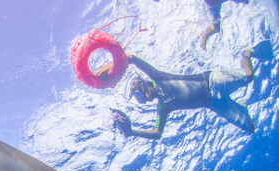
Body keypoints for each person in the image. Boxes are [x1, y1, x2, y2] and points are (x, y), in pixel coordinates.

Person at [110, 40, 273, 140]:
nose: (142, 100)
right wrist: (132, 132)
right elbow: (157, 133)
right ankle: (242, 106)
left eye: (138, 95)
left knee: (248, 77)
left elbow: (132, 58)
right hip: (214, 103)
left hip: (212, 82)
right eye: (138, 99)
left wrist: (116, 68)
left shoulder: (157, 77)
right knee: (250, 127)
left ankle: (248, 54)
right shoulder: (163, 108)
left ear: (143, 84)